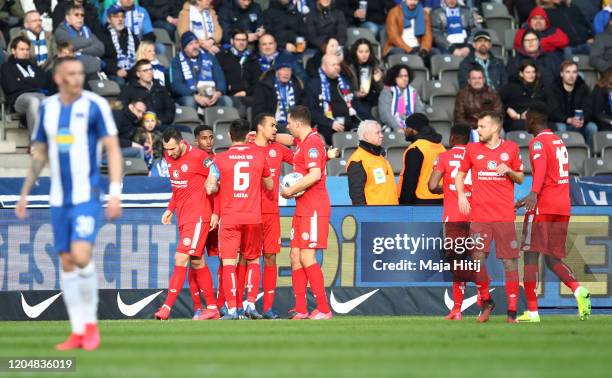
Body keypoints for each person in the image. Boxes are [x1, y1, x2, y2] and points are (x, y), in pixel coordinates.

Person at [15, 57, 123, 350]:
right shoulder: (47, 109)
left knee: (81, 254)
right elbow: (39, 154)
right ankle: (77, 331)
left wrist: (115, 192)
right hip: (59, 198)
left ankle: (91, 326)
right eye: (71, 73)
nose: (78, 78)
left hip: (87, 195)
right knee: (66, 262)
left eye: (80, 73)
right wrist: (25, 192)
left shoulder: (94, 106)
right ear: (58, 78)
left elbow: (112, 150)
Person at [515, 102, 591, 322]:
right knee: (551, 259)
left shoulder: (537, 142)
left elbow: (541, 171)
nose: (525, 121)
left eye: (527, 117)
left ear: (535, 119)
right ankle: (578, 290)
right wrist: (526, 198)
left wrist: (533, 194)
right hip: (561, 206)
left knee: (530, 255)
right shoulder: (558, 141)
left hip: (543, 206)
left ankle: (533, 311)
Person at [455, 111, 524, 323]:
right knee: (477, 260)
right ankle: (486, 300)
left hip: (504, 216)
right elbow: (460, 174)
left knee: (510, 264)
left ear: (495, 128)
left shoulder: (511, 149)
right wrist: (461, 196)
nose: (478, 130)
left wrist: (509, 171)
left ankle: (512, 312)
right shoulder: (472, 149)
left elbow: (521, 177)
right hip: (480, 216)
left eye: (482, 126)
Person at [205, 119, 273, 320]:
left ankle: (233, 309)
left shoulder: (219, 160)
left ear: (229, 136)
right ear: (247, 136)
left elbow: (210, 187)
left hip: (230, 217)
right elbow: (269, 185)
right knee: (253, 260)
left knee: (228, 264)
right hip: (253, 217)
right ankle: (251, 304)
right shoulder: (260, 156)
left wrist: (218, 185)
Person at [154, 128, 220, 320]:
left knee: (180, 258)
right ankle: (213, 308)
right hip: (183, 217)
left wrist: (216, 212)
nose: (170, 153)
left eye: (173, 148)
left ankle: (166, 307)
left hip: (199, 215)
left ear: (182, 143)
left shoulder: (200, 157)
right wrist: (169, 209)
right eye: (167, 149)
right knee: (197, 261)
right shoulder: (169, 157)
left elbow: (217, 184)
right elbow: (178, 188)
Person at [281, 106, 332, 320]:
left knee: (307, 256)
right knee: (294, 256)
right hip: (303, 207)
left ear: (298, 124)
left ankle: (324, 309)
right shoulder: (303, 142)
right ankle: (301, 309)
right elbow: (285, 139)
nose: (288, 126)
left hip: (314, 207)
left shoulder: (313, 142)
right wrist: (267, 135)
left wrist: (290, 191)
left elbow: (315, 174)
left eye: (289, 123)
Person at [428, 123, 475, 320]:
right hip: (476, 215)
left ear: (452, 139)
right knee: (475, 261)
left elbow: (431, 186)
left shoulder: (444, 157)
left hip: (454, 216)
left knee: (456, 261)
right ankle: (484, 298)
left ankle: (457, 309)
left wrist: (445, 189)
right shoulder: (477, 156)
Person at [249, 113, 295, 318]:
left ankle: (267, 307)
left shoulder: (277, 149)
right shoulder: (246, 150)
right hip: (249, 212)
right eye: (272, 125)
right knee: (247, 258)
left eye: (277, 126)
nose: (276, 129)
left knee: (270, 257)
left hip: (271, 212)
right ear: (260, 127)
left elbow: (299, 157)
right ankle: (245, 304)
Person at [305, 53, 364, 144]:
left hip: (349, 124)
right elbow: (311, 111)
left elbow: (356, 105)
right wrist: (330, 123)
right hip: (326, 126)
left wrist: (368, 121)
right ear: (324, 67)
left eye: (338, 64)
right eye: (333, 65)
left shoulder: (344, 82)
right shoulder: (313, 84)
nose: (337, 67)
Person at [0, 36, 49, 134]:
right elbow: (11, 87)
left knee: (50, 102)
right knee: (33, 101)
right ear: (13, 51)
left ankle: (52, 140)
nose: (25, 52)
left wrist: (23, 80)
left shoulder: (33, 66)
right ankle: (35, 143)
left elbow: (43, 82)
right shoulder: (6, 67)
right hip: (19, 99)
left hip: (39, 95)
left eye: (27, 49)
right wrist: (32, 82)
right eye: (22, 49)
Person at [171, 31, 231, 110]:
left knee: (226, 100)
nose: (195, 46)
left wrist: (219, 92)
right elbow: (176, 85)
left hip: (212, 95)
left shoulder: (210, 57)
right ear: (184, 48)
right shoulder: (176, 61)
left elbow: (220, 78)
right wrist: (195, 96)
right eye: (190, 44)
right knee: (190, 101)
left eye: (196, 43)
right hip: (190, 96)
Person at [545, 59, 598, 146]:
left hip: (578, 123)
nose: (571, 75)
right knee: (560, 127)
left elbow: (588, 109)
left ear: (577, 74)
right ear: (562, 74)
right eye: (568, 72)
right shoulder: (553, 88)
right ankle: (561, 155)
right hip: (562, 122)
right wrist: (568, 120)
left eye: (574, 72)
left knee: (592, 127)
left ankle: (590, 155)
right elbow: (552, 111)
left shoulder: (583, 87)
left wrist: (582, 120)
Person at [346, 120, 398, 205]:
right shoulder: (358, 160)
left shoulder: (380, 157)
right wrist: (366, 217)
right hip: (374, 216)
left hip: (391, 214)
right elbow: (357, 197)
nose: (381, 135)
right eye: (377, 133)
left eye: (381, 132)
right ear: (366, 136)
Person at [397, 113, 445, 205]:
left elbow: (410, 181)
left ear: (413, 130)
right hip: (441, 199)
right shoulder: (441, 147)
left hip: (421, 201)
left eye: (407, 127)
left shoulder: (416, 149)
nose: (405, 130)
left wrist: (404, 205)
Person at [252, 53, 304, 132]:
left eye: (288, 69)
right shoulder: (264, 86)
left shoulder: (296, 85)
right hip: (273, 126)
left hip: (294, 125)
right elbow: (258, 112)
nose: (286, 73)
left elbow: (303, 108)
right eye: (283, 69)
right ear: (276, 70)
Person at [54, 4, 105, 76]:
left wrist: (81, 51)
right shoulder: (60, 31)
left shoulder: (86, 30)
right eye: (76, 15)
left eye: (82, 15)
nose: (80, 17)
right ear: (67, 17)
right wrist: (90, 41)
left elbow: (100, 48)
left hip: (91, 73)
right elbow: (71, 44)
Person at [122, 59, 176, 126]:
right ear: (138, 74)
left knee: (185, 129)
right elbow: (123, 108)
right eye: (145, 70)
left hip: (161, 124)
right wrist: (140, 121)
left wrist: (161, 121)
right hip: (140, 126)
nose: (149, 72)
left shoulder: (160, 88)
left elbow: (170, 108)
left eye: (150, 69)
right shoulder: (129, 89)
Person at [216, 29, 260, 110]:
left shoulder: (253, 59)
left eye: (244, 40)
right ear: (232, 41)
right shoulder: (222, 56)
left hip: (248, 95)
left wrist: (245, 92)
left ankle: (273, 123)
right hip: (227, 96)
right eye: (238, 40)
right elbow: (218, 79)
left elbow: (256, 83)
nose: (241, 43)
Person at [500, 60, 548, 132]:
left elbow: (544, 105)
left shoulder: (540, 88)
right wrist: (508, 110)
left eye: (533, 72)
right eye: (528, 72)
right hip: (514, 120)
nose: (531, 75)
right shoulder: (511, 87)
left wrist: (531, 112)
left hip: (534, 119)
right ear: (521, 73)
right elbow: (498, 100)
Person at [99, 4, 139, 84]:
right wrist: (116, 71)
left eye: (122, 16)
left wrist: (130, 71)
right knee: (120, 81)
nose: (120, 19)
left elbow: (138, 54)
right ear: (109, 19)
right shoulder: (102, 36)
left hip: (131, 71)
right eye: (116, 16)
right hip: (111, 73)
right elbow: (101, 60)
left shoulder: (131, 35)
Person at [378, 64, 425, 132]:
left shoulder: (413, 92)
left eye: (406, 76)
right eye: (400, 76)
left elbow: (420, 112)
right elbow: (385, 114)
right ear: (394, 78)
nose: (404, 79)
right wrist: (397, 127)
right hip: (393, 129)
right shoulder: (387, 92)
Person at [348, 38, 384, 114]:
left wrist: (378, 81)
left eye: (367, 51)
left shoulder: (376, 65)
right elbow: (345, 89)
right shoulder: (350, 67)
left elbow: (383, 92)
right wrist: (356, 94)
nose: (364, 55)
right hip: (356, 100)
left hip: (373, 99)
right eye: (360, 52)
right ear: (355, 52)